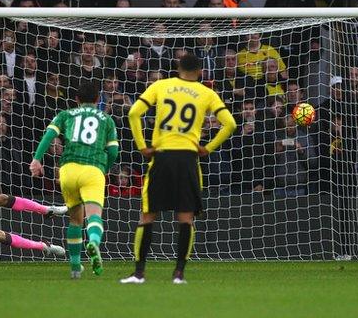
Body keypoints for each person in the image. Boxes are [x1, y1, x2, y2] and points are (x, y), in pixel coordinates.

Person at [122, 53, 237, 284]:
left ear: (178, 68)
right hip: (188, 159)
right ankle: (178, 274)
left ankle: (139, 273)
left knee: (148, 215)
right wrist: (208, 148)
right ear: (200, 72)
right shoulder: (207, 93)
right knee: (185, 218)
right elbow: (231, 124)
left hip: (162, 157)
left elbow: (133, 112)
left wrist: (143, 146)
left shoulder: (161, 85)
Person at [30, 79, 119, 279]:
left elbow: (48, 136)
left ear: (76, 99)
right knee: (94, 215)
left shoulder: (65, 114)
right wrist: (103, 167)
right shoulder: (106, 119)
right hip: (93, 168)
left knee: (75, 220)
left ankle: (75, 267)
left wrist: (36, 160)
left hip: (67, 169)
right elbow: (113, 150)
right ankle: (94, 243)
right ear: (98, 99)